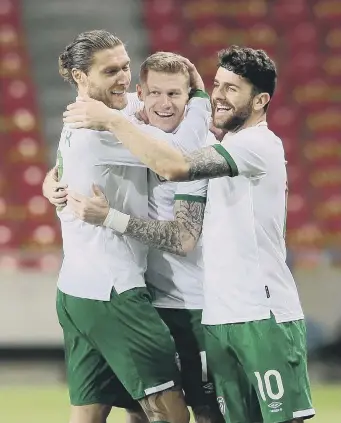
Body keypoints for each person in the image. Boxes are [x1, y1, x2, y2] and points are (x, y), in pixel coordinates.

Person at [63, 45, 315, 423]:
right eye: (217, 86)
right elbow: (116, 106)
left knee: (225, 414)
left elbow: (181, 211)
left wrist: (110, 217)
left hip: (238, 309)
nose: (219, 96)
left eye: (232, 89)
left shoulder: (241, 147)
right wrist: (57, 183)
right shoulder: (148, 136)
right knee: (145, 410)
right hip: (189, 307)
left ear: (261, 100)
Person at [45, 51, 222, 423]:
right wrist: (56, 183)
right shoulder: (105, 126)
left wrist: (61, 184)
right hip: (119, 291)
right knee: (161, 414)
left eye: (125, 67)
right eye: (111, 70)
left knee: (110, 411)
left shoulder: (114, 119)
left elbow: (184, 228)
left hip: (177, 301)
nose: (123, 78)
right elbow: (174, 156)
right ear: (80, 77)